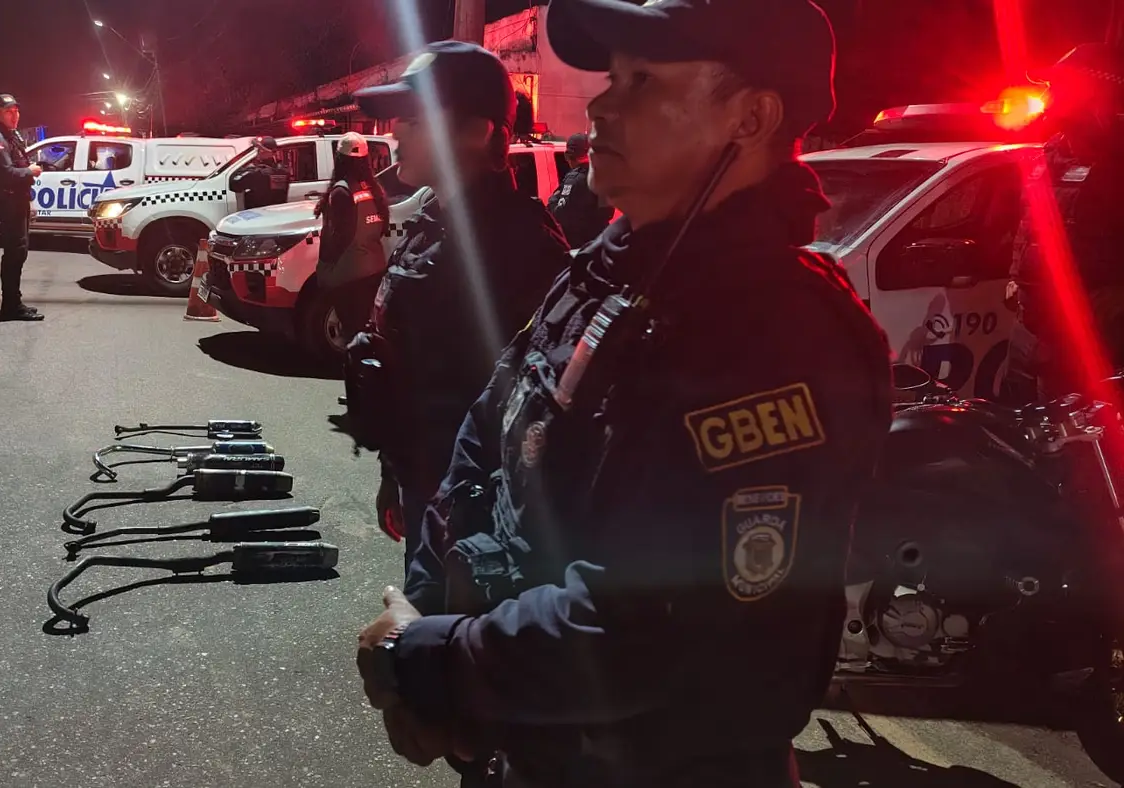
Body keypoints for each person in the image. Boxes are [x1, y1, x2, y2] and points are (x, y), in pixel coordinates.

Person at [355, 1, 893, 786]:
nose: (602, 106)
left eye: (644, 82)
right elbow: (489, 427)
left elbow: (650, 628)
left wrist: (429, 656)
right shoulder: (611, 272)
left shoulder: (773, 334)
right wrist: (432, 610)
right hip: (529, 732)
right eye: (611, 78)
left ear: (751, 118)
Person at [344, 41, 571, 574]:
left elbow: (535, 409)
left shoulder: (522, 245)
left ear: (477, 131)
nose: (395, 132)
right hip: (422, 483)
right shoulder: (431, 222)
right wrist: (394, 473)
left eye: (415, 118)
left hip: (478, 520)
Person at [1002, 42, 1124, 404]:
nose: (1047, 97)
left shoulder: (1117, 157)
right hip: (1032, 325)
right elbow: (1030, 219)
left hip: (1090, 334)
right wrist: (1015, 274)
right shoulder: (1052, 151)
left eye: (1058, 87)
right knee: (1021, 419)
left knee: (1081, 428)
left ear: (1092, 93)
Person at [311, 132, 390, 354]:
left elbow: (338, 237)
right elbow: (381, 227)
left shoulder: (341, 190)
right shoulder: (374, 189)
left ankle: (358, 372)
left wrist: (325, 268)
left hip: (349, 273)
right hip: (374, 268)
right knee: (366, 329)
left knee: (352, 332)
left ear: (339, 158)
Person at [0, 93, 44, 321]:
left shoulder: (10, 135)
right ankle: (11, 306)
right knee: (14, 253)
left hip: (18, 199)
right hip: (8, 201)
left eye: (16, 111)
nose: (14, 115)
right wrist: (30, 171)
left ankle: (14, 302)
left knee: (20, 252)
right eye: (8, 111)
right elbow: (4, 174)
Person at [546, 132, 613, 248]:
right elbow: (607, 213)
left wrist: (553, 200)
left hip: (579, 245)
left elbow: (559, 214)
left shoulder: (574, 179)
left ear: (571, 156)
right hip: (598, 244)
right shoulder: (603, 176)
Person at [229, 137, 291, 209]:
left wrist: (241, 168)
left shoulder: (257, 173)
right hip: (277, 212)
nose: (258, 152)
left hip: (258, 213)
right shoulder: (284, 172)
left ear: (262, 151)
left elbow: (235, 186)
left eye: (259, 150)